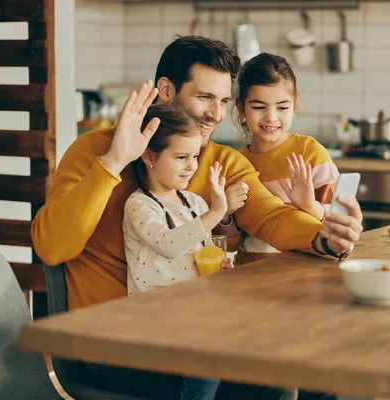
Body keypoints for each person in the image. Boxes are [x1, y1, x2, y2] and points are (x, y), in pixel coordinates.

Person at [31, 35, 363, 399]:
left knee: (310, 371)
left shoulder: (223, 161)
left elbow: (271, 215)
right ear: (166, 90)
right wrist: (113, 161)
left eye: (222, 101)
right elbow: (52, 247)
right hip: (110, 347)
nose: (216, 114)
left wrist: (323, 238)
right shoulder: (94, 150)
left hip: (186, 335)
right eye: (204, 97)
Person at [124, 104, 232, 400]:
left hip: (195, 312)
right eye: (181, 157)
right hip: (156, 317)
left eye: (195, 156)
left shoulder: (194, 203)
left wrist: (220, 267)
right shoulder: (140, 206)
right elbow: (168, 244)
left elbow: (204, 254)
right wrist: (217, 212)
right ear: (149, 156)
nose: (191, 166)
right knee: (206, 359)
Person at [233, 52, 340, 265]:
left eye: (282, 107)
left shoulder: (311, 152)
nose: (271, 117)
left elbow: (339, 226)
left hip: (305, 268)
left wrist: (310, 206)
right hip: (250, 271)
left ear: (294, 106)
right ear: (240, 107)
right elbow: (232, 241)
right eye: (258, 107)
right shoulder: (237, 163)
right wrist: (225, 214)